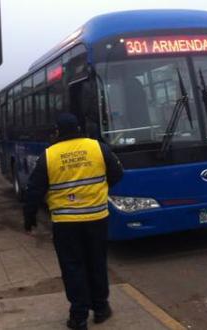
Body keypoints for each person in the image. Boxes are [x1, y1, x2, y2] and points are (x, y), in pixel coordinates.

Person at [24, 113, 123, 330]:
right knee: (97, 262)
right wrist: (98, 191)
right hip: (97, 218)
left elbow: (34, 190)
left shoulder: (49, 155)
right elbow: (117, 173)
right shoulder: (97, 147)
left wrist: (29, 219)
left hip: (66, 222)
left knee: (73, 266)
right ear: (79, 128)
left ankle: (78, 317)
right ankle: (100, 308)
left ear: (58, 131)